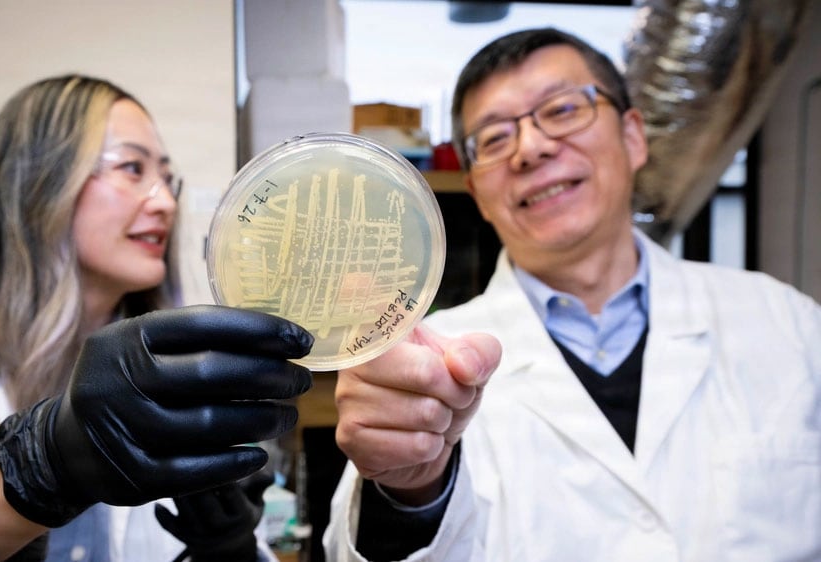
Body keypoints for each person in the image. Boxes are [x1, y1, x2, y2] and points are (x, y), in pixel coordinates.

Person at [324, 27, 821, 561]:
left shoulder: (786, 322)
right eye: (494, 139)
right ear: (478, 195)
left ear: (633, 137)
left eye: (562, 110)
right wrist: (412, 492)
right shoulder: (424, 366)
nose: (531, 149)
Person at [0, 74, 315, 561]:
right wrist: (44, 458)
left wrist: (231, 549)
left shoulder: (176, 383)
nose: (166, 202)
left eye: (167, 178)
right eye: (132, 168)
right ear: (39, 184)